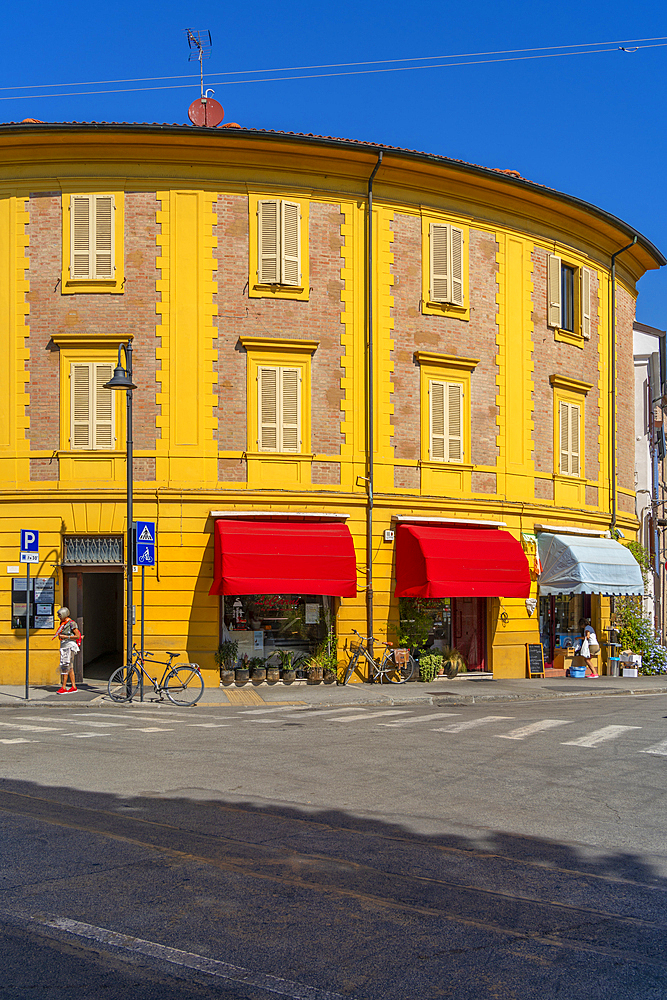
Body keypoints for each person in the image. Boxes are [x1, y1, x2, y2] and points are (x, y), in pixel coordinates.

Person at [53, 607, 82, 694]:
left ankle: (64, 687)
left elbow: (77, 635)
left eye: (60, 615)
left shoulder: (71, 623)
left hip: (69, 646)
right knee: (70, 667)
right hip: (64, 646)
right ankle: (73, 686)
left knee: (65, 666)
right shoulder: (63, 623)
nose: (58, 616)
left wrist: (66, 637)